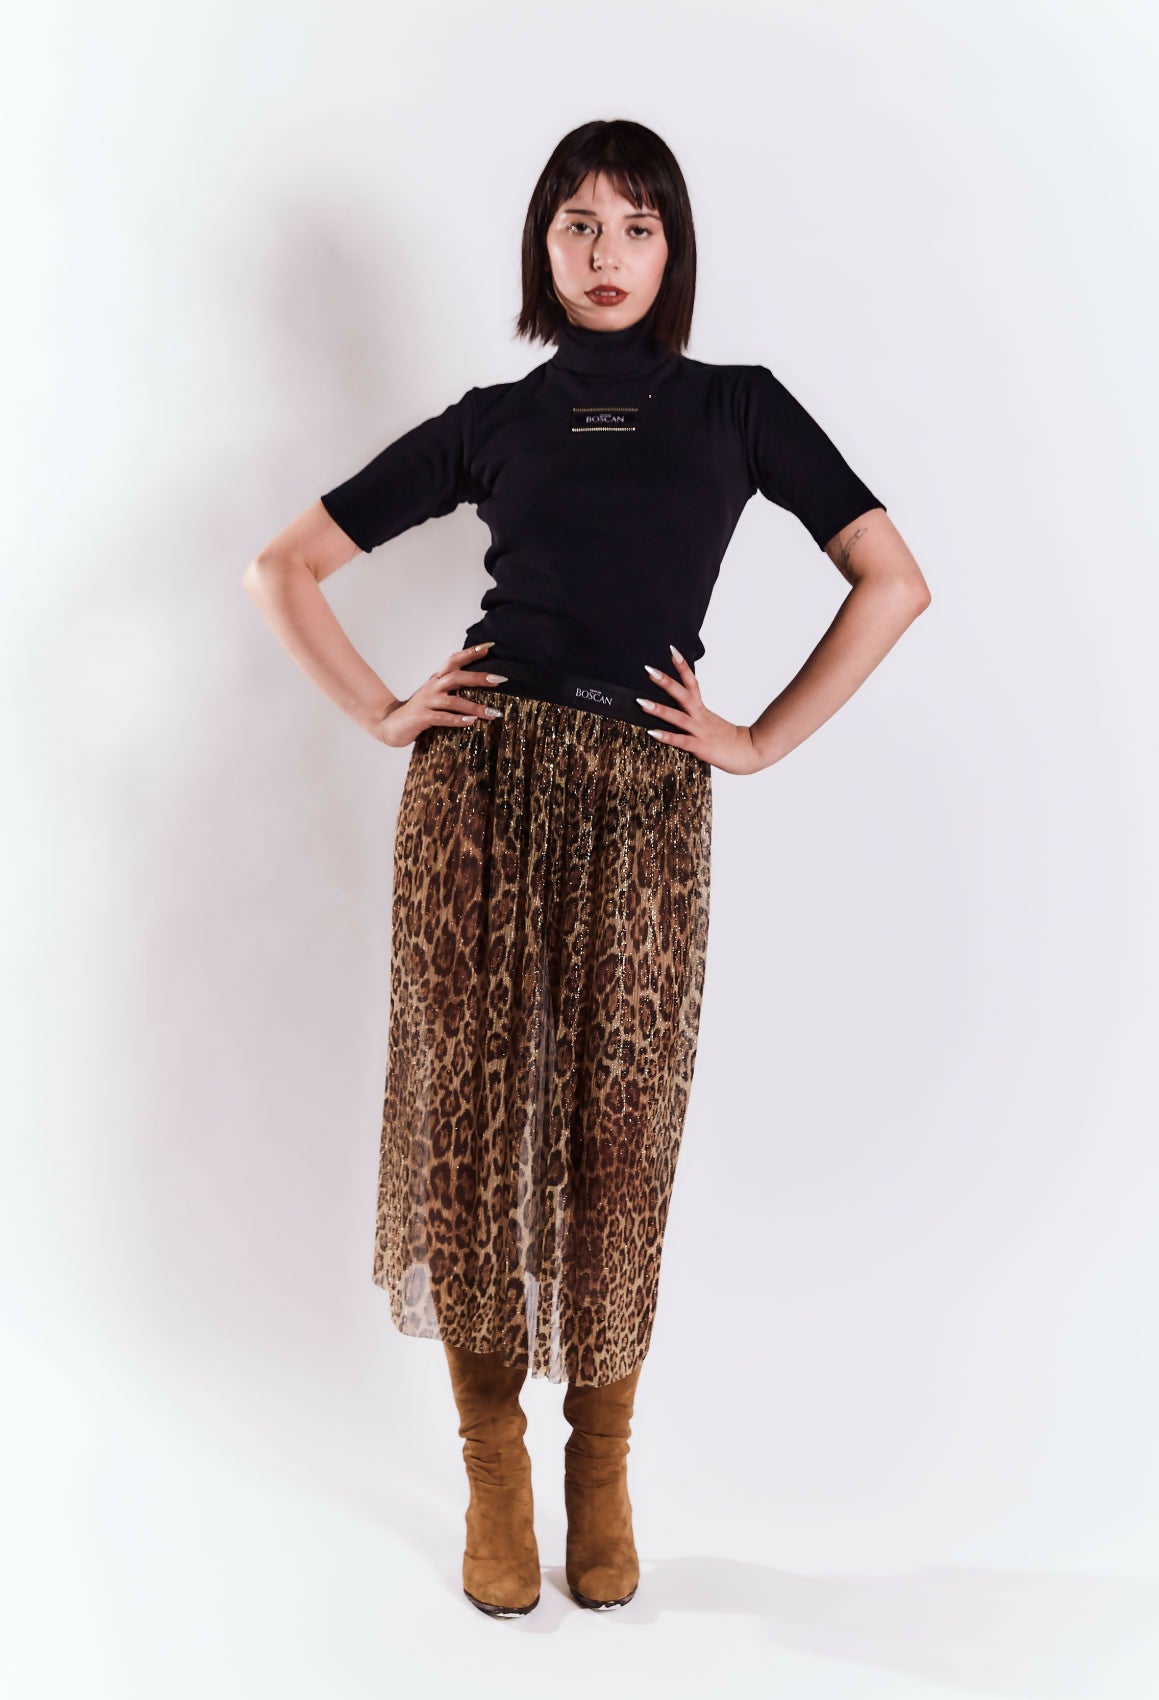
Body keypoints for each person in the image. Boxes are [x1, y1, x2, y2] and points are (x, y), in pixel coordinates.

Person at [243, 118, 931, 1620]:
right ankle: (491, 1465)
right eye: (576, 223)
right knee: (475, 1121)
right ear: (541, 247)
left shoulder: (740, 408)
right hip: (480, 789)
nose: (605, 252)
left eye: (635, 224)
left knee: (622, 1125)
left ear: (674, 248)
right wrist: (383, 709)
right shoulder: (494, 419)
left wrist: (757, 741)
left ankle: (600, 1464)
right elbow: (281, 566)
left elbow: (893, 579)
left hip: (646, 801)